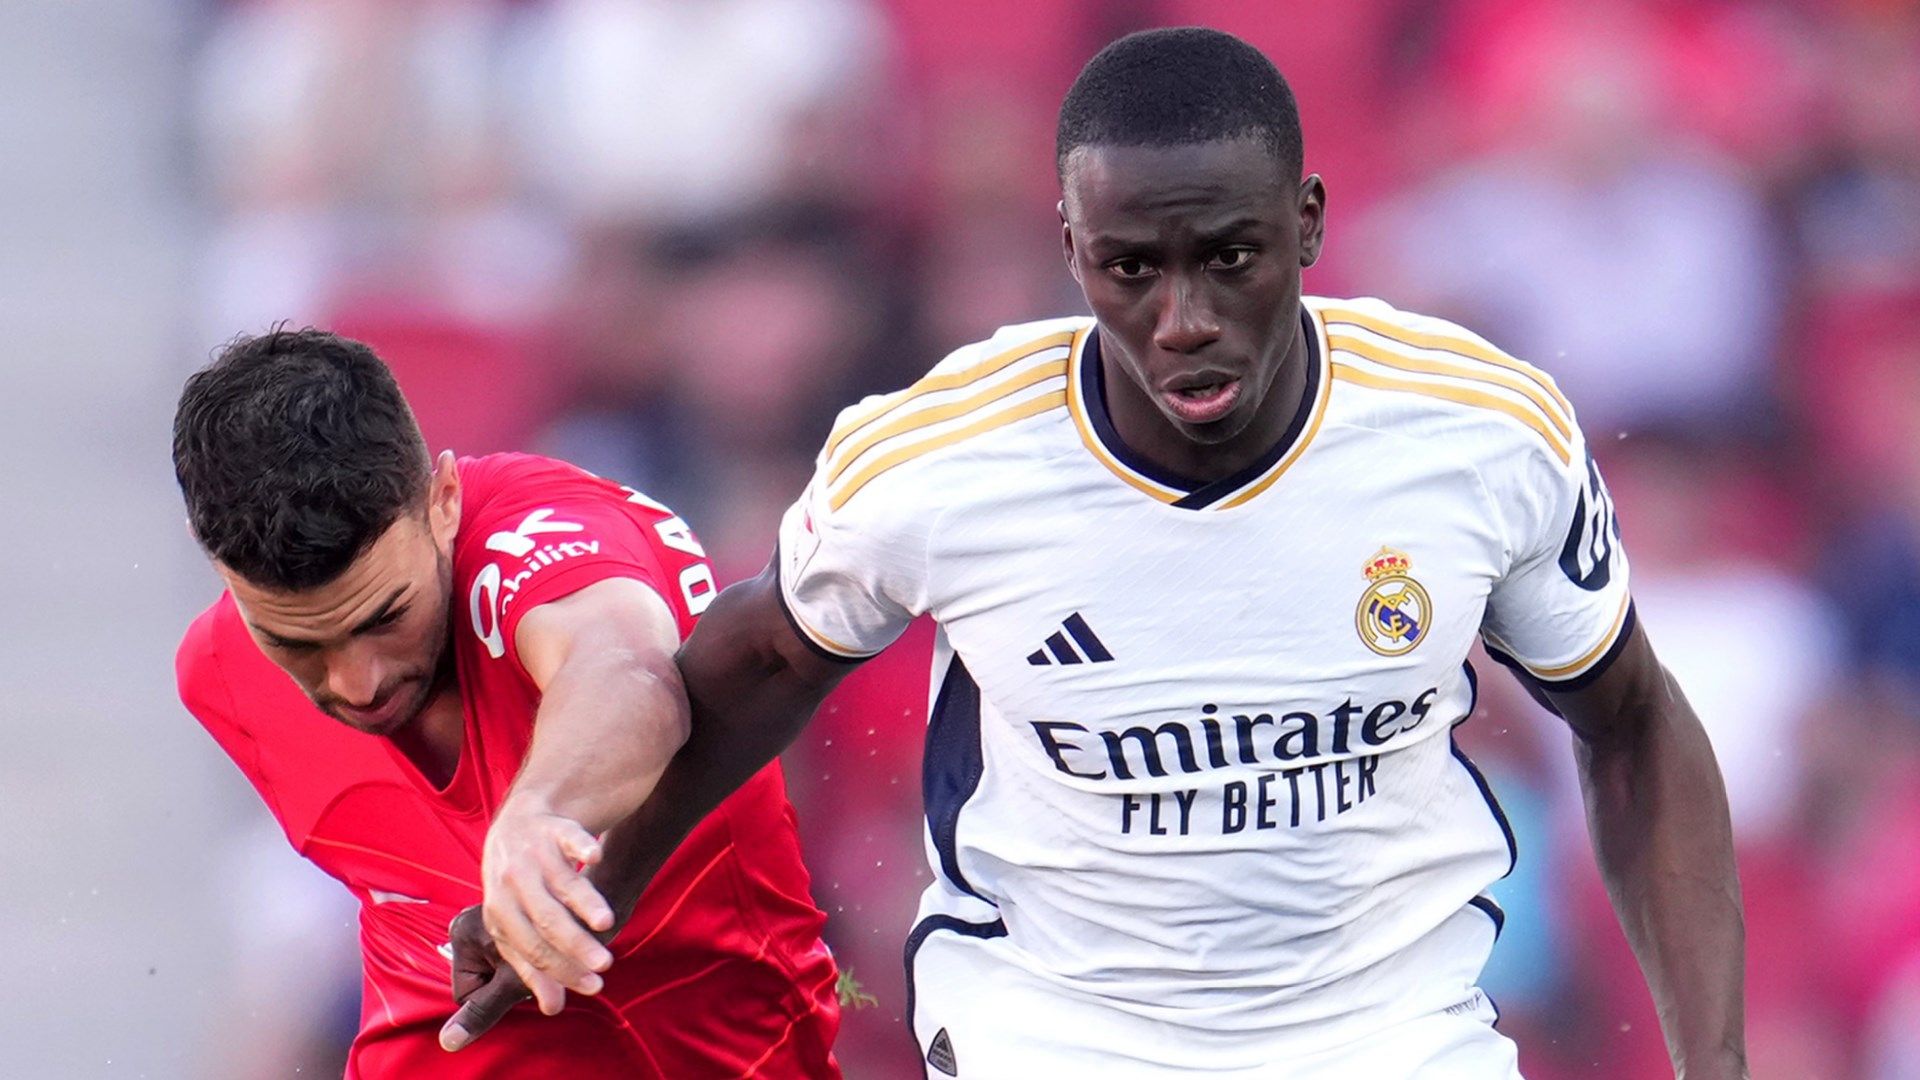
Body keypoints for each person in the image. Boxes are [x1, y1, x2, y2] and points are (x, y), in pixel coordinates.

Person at [454, 27, 1748, 1078]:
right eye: (1132, 268)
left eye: (1230, 258)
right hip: (1053, 1035)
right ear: (1071, 250)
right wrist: (592, 890)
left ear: (1307, 223)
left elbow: (1631, 723)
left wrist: (1720, 1066)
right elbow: (750, 670)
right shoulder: (940, 460)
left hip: (1392, 1036)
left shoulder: (1476, 430)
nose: (1183, 320)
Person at [170, 329, 842, 1077]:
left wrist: (541, 816)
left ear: (444, 501)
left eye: (386, 617)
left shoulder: (540, 536)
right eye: (298, 644)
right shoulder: (222, 678)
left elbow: (625, 672)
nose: (359, 685)